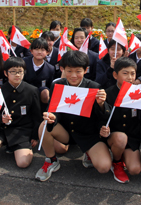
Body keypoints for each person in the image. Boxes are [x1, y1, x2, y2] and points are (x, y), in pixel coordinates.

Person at [35, 50, 110, 182]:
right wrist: (52, 117)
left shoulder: (94, 87)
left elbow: (103, 117)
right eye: (69, 71)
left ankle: (88, 152)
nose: (73, 75)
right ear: (62, 69)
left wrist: (101, 104)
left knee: (104, 167)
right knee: (44, 124)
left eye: (78, 71)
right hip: (66, 132)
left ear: (86, 70)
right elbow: (53, 109)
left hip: (87, 134)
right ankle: (51, 160)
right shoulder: (57, 84)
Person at [100, 57, 141, 183]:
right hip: (113, 136)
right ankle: (116, 162)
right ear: (115, 75)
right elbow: (100, 117)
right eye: (125, 73)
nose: (130, 77)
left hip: (132, 136)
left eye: (133, 73)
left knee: (135, 170)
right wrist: (102, 129)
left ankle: (122, 155)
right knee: (120, 138)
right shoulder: (108, 93)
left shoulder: (140, 93)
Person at [0, 57, 42, 168]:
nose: (17, 75)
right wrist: (1, 119)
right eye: (13, 71)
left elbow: (36, 116)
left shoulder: (32, 90)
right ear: (5, 73)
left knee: (23, 163)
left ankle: (17, 148)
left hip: (22, 131)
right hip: (2, 129)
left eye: (20, 72)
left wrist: (34, 136)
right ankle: (6, 144)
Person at [22, 38, 55, 105]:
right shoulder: (23, 62)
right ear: (31, 51)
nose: (39, 52)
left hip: (40, 96)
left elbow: (49, 86)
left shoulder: (50, 68)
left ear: (47, 52)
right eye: (36, 49)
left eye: (42, 50)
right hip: (24, 92)